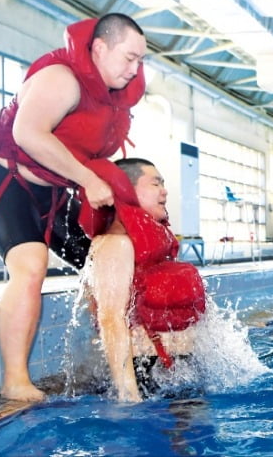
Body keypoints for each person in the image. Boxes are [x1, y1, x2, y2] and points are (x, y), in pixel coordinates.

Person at [0, 14, 147, 402]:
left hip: (54, 189)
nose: (136, 70)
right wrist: (88, 180)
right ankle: (14, 381)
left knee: (107, 264)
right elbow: (27, 134)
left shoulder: (112, 97)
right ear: (100, 48)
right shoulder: (62, 78)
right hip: (5, 177)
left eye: (140, 62)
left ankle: (116, 356)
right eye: (129, 58)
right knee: (30, 265)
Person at [84, 158, 206, 402]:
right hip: (145, 376)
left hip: (174, 373)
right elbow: (110, 319)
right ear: (126, 190)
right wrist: (128, 395)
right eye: (155, 183)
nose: (165, 190)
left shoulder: (150, 244)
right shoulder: (114, 244)